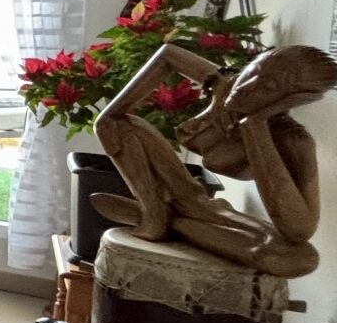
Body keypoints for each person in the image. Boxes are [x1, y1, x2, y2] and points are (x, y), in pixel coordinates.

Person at [93, 43, 335, 277]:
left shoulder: (291, 140)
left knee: (299, 258)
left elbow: (299, 230)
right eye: (254, 70)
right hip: (184, 191)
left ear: (293, 99)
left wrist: (255, 124)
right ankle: (154, 210)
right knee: (112, 123)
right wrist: (113, 113)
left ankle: (171, 221)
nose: (247, 86)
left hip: (209, 211)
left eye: (269, 87)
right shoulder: (224, 83)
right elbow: (168, 54)